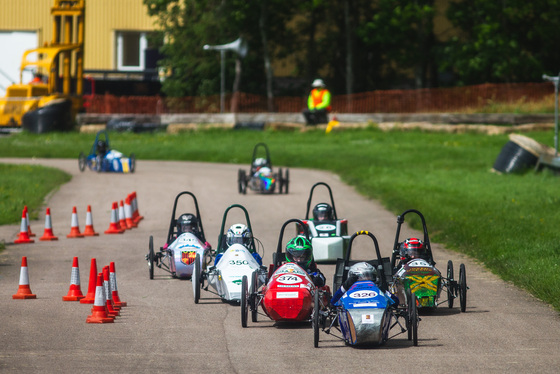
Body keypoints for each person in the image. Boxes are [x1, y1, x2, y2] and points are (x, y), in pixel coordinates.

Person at [330, 262, 398, 306]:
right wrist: (345, 287)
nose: (366, 279)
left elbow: (395, 301)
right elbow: (333, 302)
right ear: (352, 278)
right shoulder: (348, 290)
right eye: (362, 277)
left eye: (369, 276)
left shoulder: (378, 289)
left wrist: (383, 290)